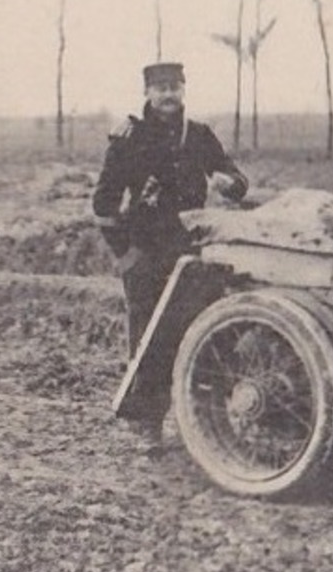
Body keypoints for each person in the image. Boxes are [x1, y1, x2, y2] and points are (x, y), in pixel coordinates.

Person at [93, 62, 248, 440]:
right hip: (146, 253)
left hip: (192, 254)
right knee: (149, 341)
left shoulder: (198, 135)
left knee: (202, 335)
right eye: (159, 88)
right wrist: (126, 256)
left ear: (183, 90)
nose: (167, 95)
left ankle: (207, 424)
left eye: (174, 87)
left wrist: (233, 185)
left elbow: (235, 177)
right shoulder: (129, 138)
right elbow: (104, 203)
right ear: (147, 93)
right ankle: (148, 426)